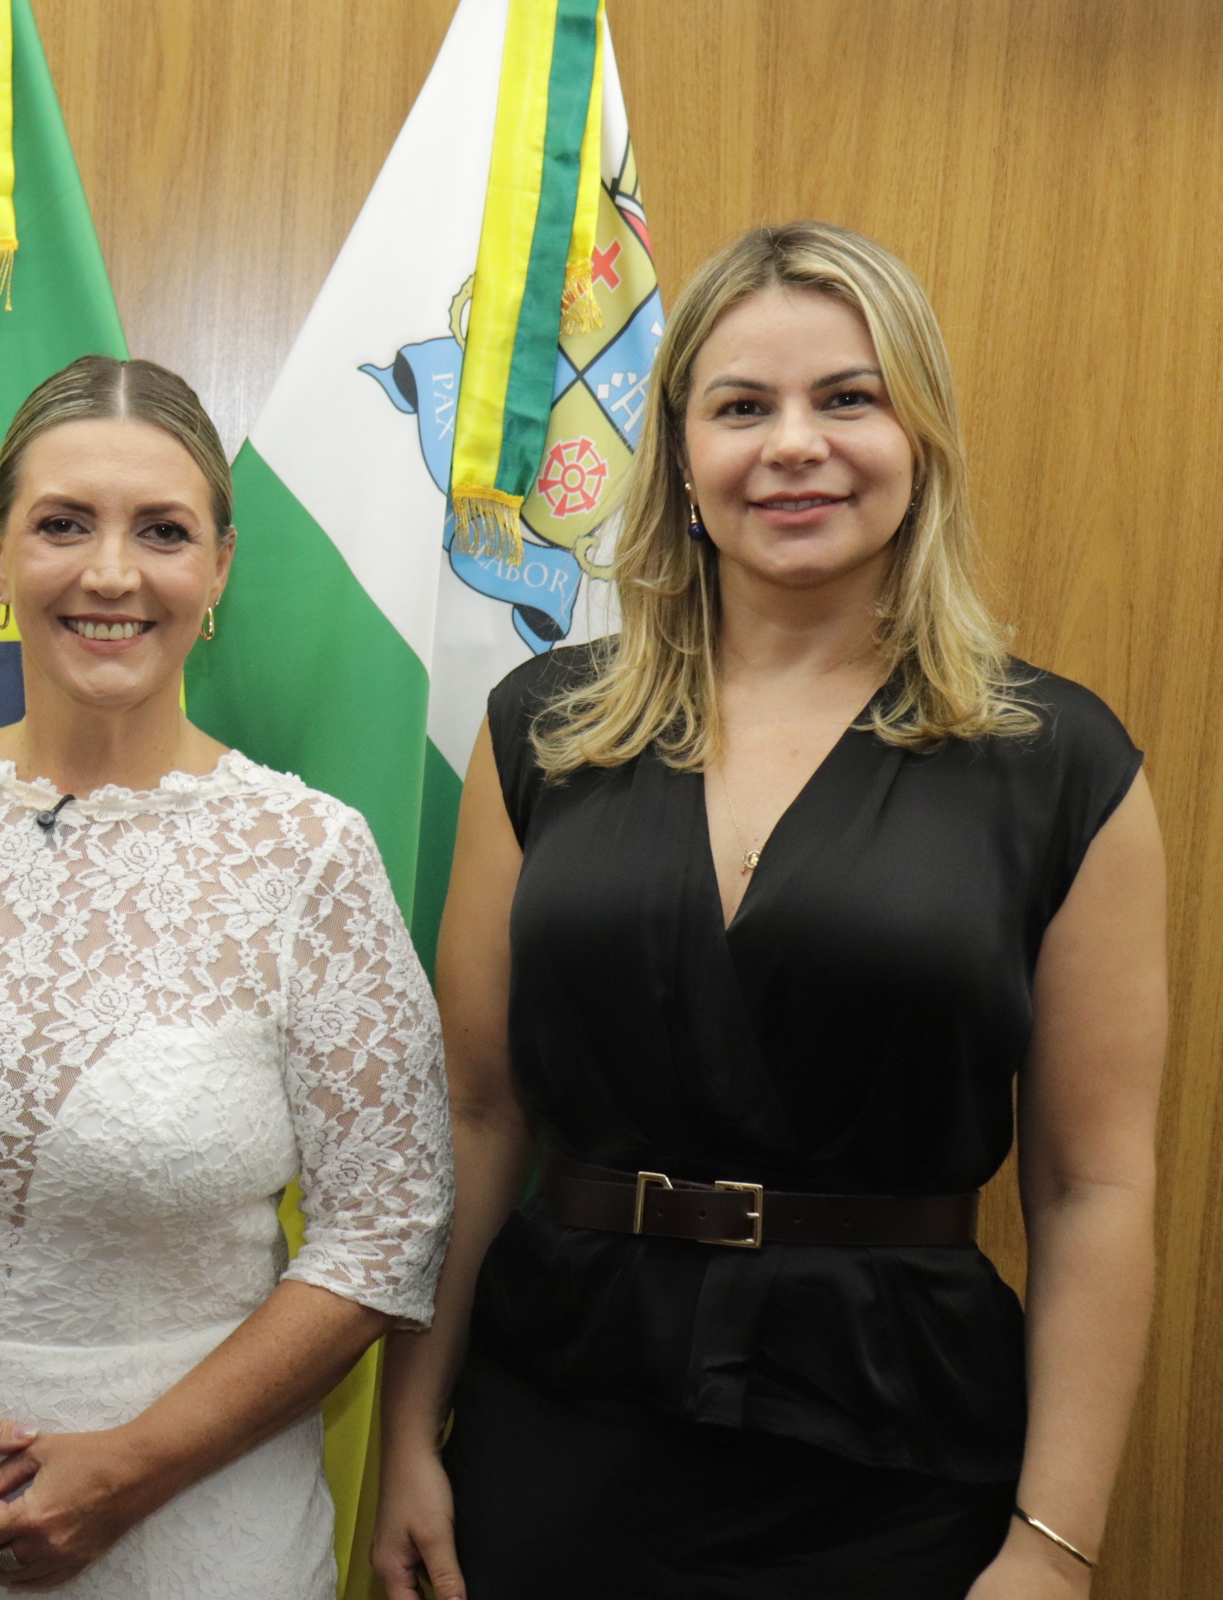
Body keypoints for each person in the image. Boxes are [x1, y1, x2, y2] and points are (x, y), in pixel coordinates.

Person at [370, 221, 1165, 1600]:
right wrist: (403, 1438)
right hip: (556, 1427)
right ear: (681, 457)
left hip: (894, 1458)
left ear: (920, 438)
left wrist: (1053, 1545)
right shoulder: (544, 730)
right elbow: (480, 1115)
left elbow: (1091, 1186)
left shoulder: (1062, 763)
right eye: (742, 407)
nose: (795, 444)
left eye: (847, 398)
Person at [0, 354, 453, 1598]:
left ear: (220, 566)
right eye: (63, 524)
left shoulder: (309, 855)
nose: (112, 573)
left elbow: (382, 1231)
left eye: (162, 531)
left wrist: (129, 1469)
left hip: (195, 1524)